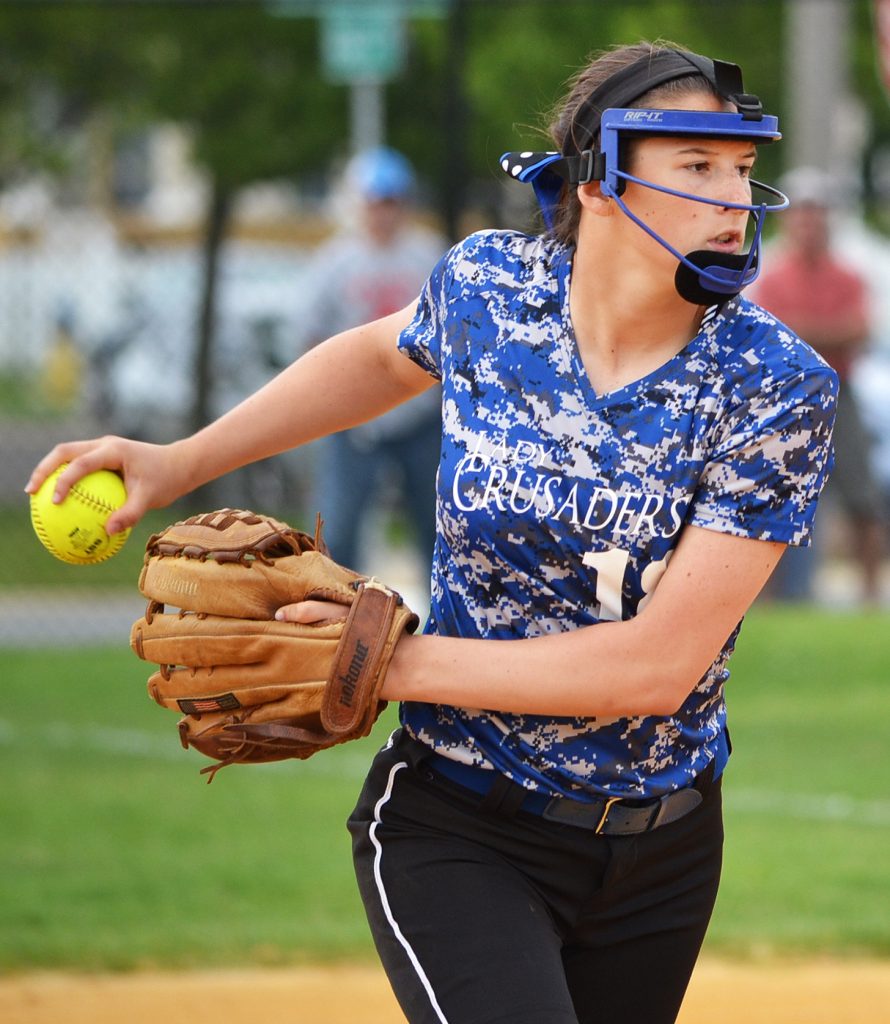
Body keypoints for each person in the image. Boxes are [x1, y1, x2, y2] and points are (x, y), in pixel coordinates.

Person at [26, 41, 837, 1024]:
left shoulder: (773, 384)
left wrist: (390, 662)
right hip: (462, 819)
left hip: (662, 848)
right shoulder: (490, 289)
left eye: (741, 169)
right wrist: (181, 458)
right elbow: (379, 358)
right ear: (598, 182)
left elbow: (653, 669)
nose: (730, 198)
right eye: (695, 166)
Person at [299, 147, 446, 574]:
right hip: (354, 417)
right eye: (375, 201)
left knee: (438, 528)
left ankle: (445, 625)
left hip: (419, 416)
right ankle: (334, 619)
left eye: (391, 201)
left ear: (404, 203)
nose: (383, 212)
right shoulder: (335, 261)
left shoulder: (426, 254)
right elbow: (310, 335)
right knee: (337, 530)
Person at [752, 166, 885, 605]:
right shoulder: (771, 273)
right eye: (802, 215)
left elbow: (859, 330)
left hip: (838, 393)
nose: (810, 224)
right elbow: (771, 337)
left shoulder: (848, 275)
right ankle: (771, 600)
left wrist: (804, 332)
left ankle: (870, 596)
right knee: (775, 497)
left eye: (817, 215)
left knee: (861, 495)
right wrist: (826, 333)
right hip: (788, 396)